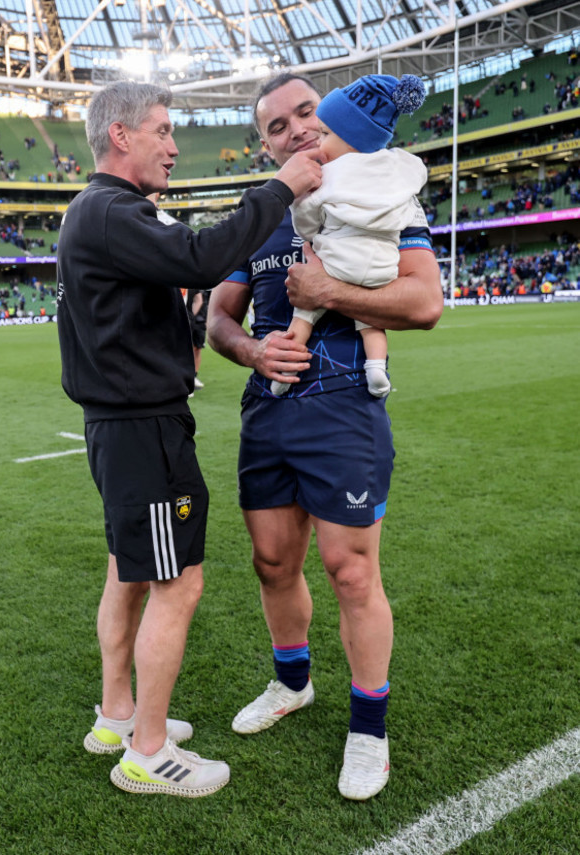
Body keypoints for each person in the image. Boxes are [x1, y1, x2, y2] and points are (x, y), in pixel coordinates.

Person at [56, 80, 321, 799]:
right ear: (121, 136)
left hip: (120, 426)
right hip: (144, 428)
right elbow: (204, 255)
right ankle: (146, 749)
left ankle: (118, 715)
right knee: (179, 582)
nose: (175, 147)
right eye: (164, 132)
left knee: (129, 570)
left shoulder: (98, 212)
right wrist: (278, 187)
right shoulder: (113, 210)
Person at [207, 73, 442, 800]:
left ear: (329, 118)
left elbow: (425, 301)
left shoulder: (385, 194)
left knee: (350, 570)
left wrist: (329, 295)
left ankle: (369, 730)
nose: (296, 130)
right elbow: (217, 317)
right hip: (268, 410)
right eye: (276, 126)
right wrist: (251, 350)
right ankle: (292, 683)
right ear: (266, 142)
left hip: (344, 407)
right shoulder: (262, 215)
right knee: (272, 561)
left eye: (305, 112)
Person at [270, 74, 428, 399]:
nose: (307, 132)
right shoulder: (399, 175)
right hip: (381, 269)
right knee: (371, 325)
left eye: (318, 125)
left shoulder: (328, 178)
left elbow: (427, 307)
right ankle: (376, 369)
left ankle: (285, 369)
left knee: (303, 315)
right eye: (277, 127)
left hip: (335, 264)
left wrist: (325, 282)